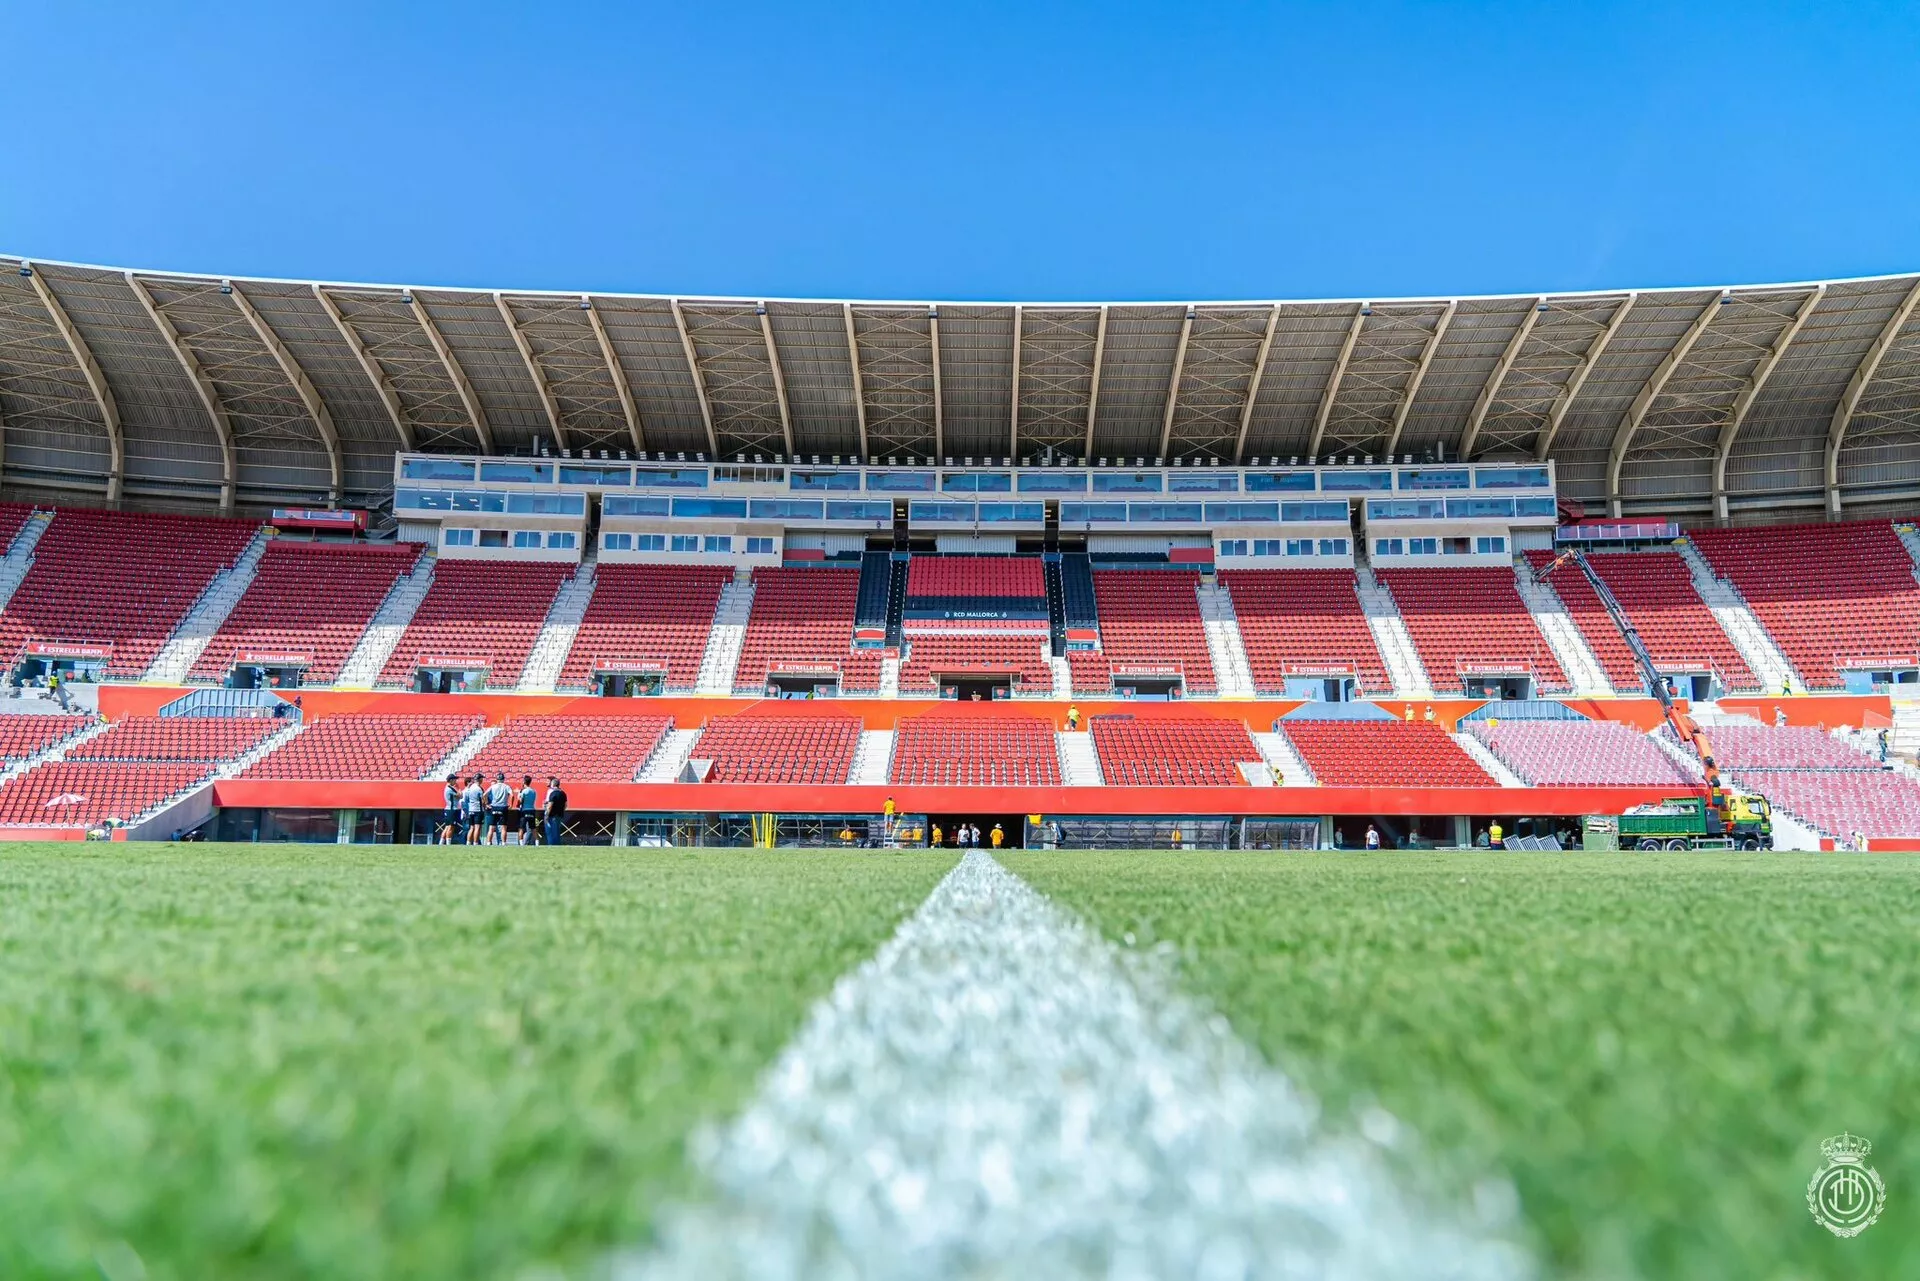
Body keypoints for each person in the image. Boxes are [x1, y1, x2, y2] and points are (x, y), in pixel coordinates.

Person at [486, 772, 513, 845]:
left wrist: (486, 804)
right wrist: (511, 804)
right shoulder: (506, 786)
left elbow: (484, 794)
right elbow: (512, 795)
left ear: (497, 779)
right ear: (503, 779)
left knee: (491, 827)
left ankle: (488, 842)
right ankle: (503, 843)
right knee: (503, 827)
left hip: (494, 807)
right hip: (503, 807)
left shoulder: (493, 786)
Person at [543, 776, 568, 846]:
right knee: (557, 832)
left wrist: (546, 815)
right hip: (559, 815)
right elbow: (566, 805)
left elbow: (550, 806)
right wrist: (561, 810)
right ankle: (557, 845)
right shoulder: (563, 793)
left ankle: (551, 845)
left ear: (553, 784)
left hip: (552, 815)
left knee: (550, 832)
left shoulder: (553, 793)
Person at [462, 775, 484, 844]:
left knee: (471, 827)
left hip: (471, 810)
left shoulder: (470, 788)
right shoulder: (479, 788)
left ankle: (468, 842)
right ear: (480, 779)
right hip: (478, 809)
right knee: (477, 827)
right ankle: (475, 842)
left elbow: (466, 800)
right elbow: (482, 800)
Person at [518, 774, 539, 844]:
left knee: (521, 827)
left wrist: (519, 797)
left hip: (524, 810)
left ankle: (521, 843)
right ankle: (537, 842)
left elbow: (521, 801)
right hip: (532, 810)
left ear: (524, 782)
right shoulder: (533, 791)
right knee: (533, 828)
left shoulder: (523, 791)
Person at [441, 774, 461, 844]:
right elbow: (460, 795)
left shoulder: (447, 787)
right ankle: (448, 843)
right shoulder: (450, 788)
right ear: (451, 780)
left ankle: (441, 842)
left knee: (447, 827)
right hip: (452, 809)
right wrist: (458, 788)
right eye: (455, 779)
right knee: (451, 827)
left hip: (448, 809)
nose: (456, 781)